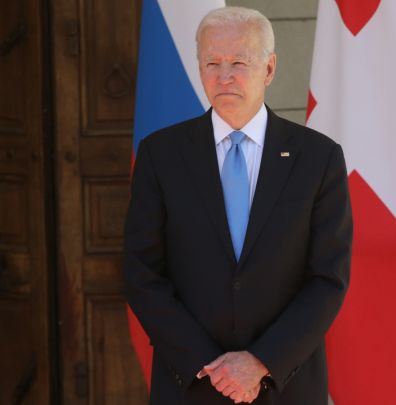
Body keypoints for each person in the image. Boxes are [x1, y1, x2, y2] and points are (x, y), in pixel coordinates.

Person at [124, 6, 352, 405]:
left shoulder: (318, 158)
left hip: (284, 385)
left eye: (238, 63)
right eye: (212, 62)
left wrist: (261, 362)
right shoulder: (160, 155)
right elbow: (142, 273)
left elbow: (327, 279)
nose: (224, 75)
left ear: (269, 69)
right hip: (192, 385)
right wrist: (209, 365)